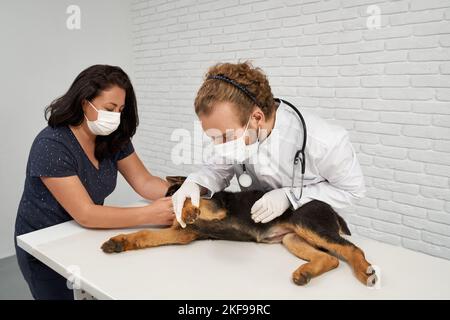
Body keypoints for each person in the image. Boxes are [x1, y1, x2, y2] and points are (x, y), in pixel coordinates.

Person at [15, 65, 174, 299]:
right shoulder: (51, 145)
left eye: (120, 109)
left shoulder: (113, 138)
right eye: (109, 108)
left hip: (85, 236)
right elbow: (86, 214)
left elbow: (144, 181)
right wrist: (150, 214)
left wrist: (180, 192)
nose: (116, 116)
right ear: (84, 102)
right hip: (45, 244)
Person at [172, 61, 366, 227]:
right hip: (262, 232)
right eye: (213, 137)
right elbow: (216, 171)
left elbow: (352, 192)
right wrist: (195, 184)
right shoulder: (234, 132)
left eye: (224, 137)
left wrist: (290, 197)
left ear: (256, 118)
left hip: (314, 231)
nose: (219, 145)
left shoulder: (324, 141)